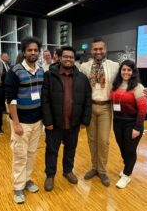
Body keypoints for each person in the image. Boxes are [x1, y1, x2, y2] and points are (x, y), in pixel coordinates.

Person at [42, 46, 92, 191]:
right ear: (59, 58)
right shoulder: (49, 76)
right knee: (52, 150)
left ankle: (68, 171)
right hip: (55, 124)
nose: (68, 59)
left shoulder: (82, 78)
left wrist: (85, 120)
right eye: (65, 56)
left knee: (71, 149)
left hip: (74, 123)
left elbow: (87, 100)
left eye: (71, 57)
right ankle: (50, 175)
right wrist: (48, 122)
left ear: (74, 59)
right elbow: (44, 100)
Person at [5, 37, 44, 204]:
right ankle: (18, 187)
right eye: (30, 50)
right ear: (24, 52)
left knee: (31, 154)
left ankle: (27, 179)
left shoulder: (41, 70)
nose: (33, 53)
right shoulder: (15, 71)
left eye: (36, 50)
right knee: (20, 155)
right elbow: (11, 99)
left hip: (37, 122)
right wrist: (15, 123)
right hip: (21, 122)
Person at [80, 38, 119, 186]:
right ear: (91, 51)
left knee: (103, 140)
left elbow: (128, 79)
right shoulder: (84, 66)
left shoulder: (114, 66)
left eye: (100, 49)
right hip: (90, 107)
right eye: (95, 49)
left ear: (105, 49)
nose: (98, 52)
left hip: (106, 108)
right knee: (91, 140)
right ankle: (94, 167)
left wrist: (142, 88)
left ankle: (102, 170)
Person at [110, 60, 147, 188]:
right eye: (123, 69)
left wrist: (137, 128)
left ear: (133, 72)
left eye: (129, 70)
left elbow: (143, 110)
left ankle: (126, 175)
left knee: (130, 150)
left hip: (132, 124)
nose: (126, 72)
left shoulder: (138, 87)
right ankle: (127, 167)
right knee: (122, 148)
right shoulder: (115, 85)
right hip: (117, 123)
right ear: (120, 71)